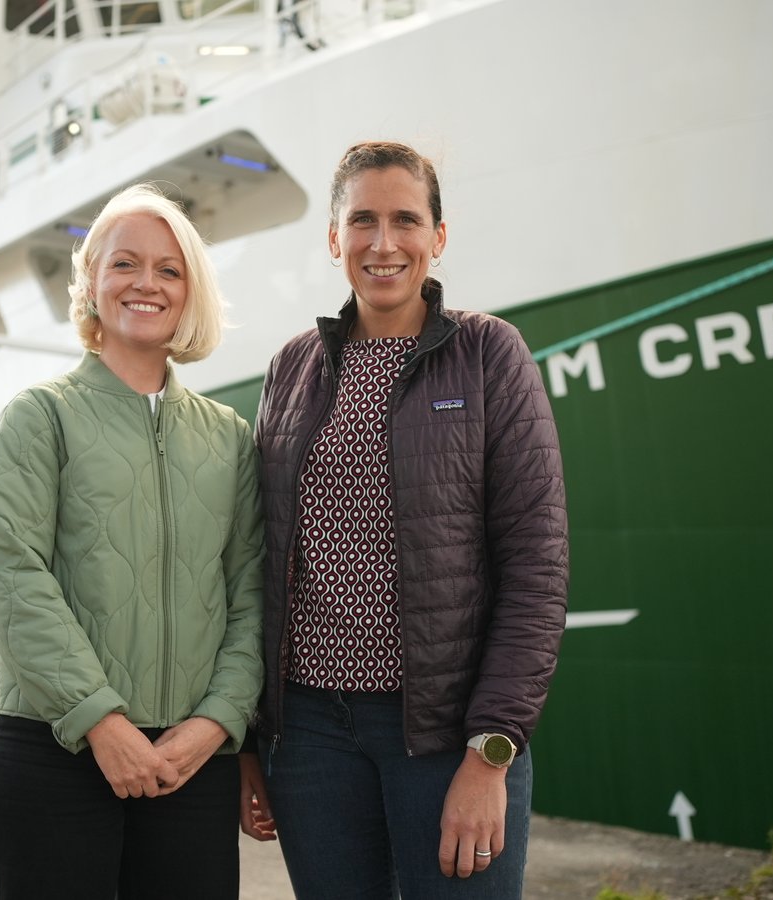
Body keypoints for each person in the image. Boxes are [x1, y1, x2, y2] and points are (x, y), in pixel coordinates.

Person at [239, 142, 568, 899]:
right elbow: (261, 561)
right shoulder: (293, 367)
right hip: (312, 737)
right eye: (362, 221)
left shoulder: (490, 353)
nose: (383, 244)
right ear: (333, 239)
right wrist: (254, 741)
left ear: (437, 237)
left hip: (445, 735)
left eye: (405, 220)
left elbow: (536, 566)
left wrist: (491, 754)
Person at [0, 183, 265, 899]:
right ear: (92, 285)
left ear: (191, 291)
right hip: (55, 753)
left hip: (190, 767)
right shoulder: (40, 418)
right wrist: (101, 722)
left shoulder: (229, 437)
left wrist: (215, 724)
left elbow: (253, 593)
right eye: (126, 264)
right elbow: (14, 575)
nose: (147, 283)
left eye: (170, 270)